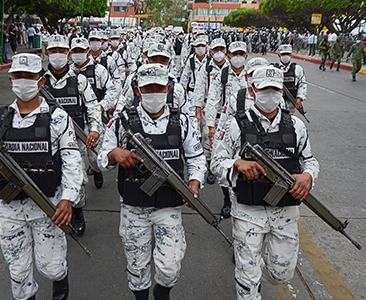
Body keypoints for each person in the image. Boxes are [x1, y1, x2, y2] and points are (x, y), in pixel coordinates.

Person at [0, 53, 83, 300]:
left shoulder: (57, 118)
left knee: (51, 268)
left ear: (41, 81)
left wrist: (68, 198)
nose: (23, 81)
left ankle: (61, 282)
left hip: (48, 206)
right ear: (11, 80)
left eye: (29, 76)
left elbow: (71, 159)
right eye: (18, 76)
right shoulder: (0, 118)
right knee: (18, 270)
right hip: (9, 209)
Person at [97, 63, 206, 300]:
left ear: (168, 88)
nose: (154, 92)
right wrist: (114, 154)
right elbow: (101, 159)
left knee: (170, 267)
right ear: (138, 91)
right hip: (134, 208)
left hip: (169, 206)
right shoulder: (122, 122)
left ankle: (163, 292)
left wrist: (195, 182)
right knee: (137, 266)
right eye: (148, 88)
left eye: (159, 87)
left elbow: (196, 158)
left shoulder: (183, 122)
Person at [211, 65, 319, 300]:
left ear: (282, 90)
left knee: (281, 275)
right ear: (252, 90)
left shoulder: (296, 126)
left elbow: (310, 160)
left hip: (285, 213)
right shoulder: (235, 125)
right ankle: (248, 277)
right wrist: (236, 165)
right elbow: (217, 164)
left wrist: (307, 175)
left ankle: (253, 267)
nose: (269, 94)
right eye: (264, 89)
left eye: (274, 89)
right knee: (248, 279)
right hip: (248, 212)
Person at [42, 35, 102, 235]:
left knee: (78, 178)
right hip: (46, 142)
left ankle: (77, 211)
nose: (57, 54)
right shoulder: (40, 81)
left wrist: (94, 129)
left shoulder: (80, 80)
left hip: (76, 140)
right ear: (47, 53)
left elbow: (92, 107)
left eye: (61, 50)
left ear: (67, 53)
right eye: (53, 51)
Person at [68, 36, 121, 188]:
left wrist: (102, 106)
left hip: (95, 119)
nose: (78, 53)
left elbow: (113, 89)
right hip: (75, 121)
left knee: (94, 155)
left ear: (88, 51)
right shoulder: (68, 73)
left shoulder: (99, 70)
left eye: (81, 50)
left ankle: (97, 170)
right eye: (75, 50)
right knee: (76, 157)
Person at [205, 41, 249, 218]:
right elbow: (212, 100)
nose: (238, 57)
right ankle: (227, 200)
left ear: (246, 56)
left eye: (241, 53)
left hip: (248, 127)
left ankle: (241, 198)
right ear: (229, 56)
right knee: (224, 161)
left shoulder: (251, 75)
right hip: (225, 124)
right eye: (234, 53)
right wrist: (210, 127)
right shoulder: (222, 75)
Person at [192, 37, 230, 185]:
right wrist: (197, 110)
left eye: (222, 49)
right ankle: (210, 169)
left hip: (228, 111)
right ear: (211, 51)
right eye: (216, 50)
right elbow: (199, 90)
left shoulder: (230, 67)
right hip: (209, 108)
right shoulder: (206, 68)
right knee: (208, 139)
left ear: (226, 51)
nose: (219, 53)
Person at [272, 44, 307, 115]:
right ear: (279, 55)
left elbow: (302, 84)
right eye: (283, 54)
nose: (285, 56)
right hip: (275, 102)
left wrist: (299, 98)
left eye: (287, 54)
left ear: (291, 55)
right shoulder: (272, 68)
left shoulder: (298, 69)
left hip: (291, 102)